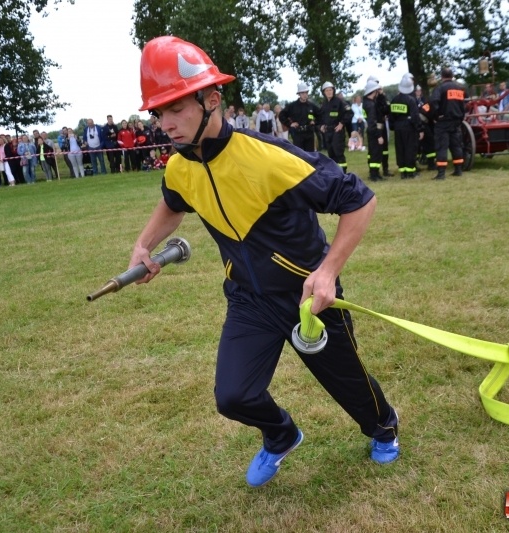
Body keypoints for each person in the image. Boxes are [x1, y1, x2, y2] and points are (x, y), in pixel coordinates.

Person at [129, 36, 400, 488]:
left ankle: (383, 426)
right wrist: (143, 245)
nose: (166, 123)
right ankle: (281, 435)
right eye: (159, 112)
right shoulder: (179, 165)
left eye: (177, 108)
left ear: (211, 99)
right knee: (233, 396)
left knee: (349, 385)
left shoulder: (270, 157)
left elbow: (360, 200)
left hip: (305, 298)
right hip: (247, 299)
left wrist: (328, 271)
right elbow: (173, 204)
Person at [429, 67, 466, 180]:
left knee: (441, 147)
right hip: (456, 121)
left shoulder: (440, 88)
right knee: (456, 146)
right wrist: (460, 119)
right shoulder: (459, 89)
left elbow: (433, 102)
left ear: (442, 76)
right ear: (452, 76)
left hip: (443, 122)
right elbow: (463, 106)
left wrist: (435, 116)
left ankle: (441, 174)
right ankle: (458, 170)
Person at [389, 73, 423, 179]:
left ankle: (403, 172)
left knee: (400, 149)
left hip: (398, 128)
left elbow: (391, 117)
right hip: (409, 128)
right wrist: (419, 129)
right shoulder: (411, 100)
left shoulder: (394, 100)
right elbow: (415, 117)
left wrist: (393, 127)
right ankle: (410, 172)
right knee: (410, 149)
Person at [318, 82, 352, 173]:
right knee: (331, 153)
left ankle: (343, 173)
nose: (329, 92)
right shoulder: (324, 104)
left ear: (333, 90)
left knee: (338, 153)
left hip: (337, 131)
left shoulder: (340, 102)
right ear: (324, 92)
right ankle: (335, 173)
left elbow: (349, 113)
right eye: (327, 90)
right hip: (328, 132)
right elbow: (320, 117)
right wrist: (321, 126)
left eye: (330, 90)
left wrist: (342, 123)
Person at [278, 83, 320, 152]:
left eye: (306, 92)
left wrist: (315, 122)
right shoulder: (292, 106)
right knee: (299, 155)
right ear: (299, 94)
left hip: (309, 133)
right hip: (297, 134)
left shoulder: (312, 106)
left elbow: (320, 115)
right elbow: (281, 115)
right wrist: (289, 124)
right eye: (302, 93)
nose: (304, 95)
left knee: (310, 155)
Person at [362, 78, 386, 182]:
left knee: (374, 153)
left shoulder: (367, 102)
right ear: (374, 91)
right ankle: (374, 175)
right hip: (374, 132)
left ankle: (375, 173)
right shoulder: (371, 105)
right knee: (375, 154)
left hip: (371, 132)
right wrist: (379, 136)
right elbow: (372, 122)